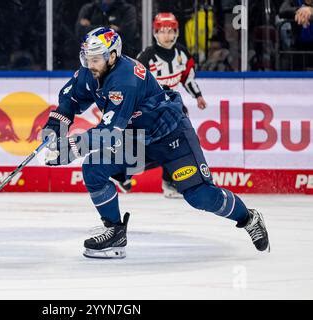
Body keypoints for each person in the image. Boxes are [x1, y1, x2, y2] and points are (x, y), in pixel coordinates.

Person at [42, 27, 270, 259]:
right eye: (87, 58)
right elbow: (70, 100)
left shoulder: (125, 79)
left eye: (96, 59)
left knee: (199, 195)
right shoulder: (89, 72)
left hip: (171, 136)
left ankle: (249, 218)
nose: (90, 64)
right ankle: (115, 230)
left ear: (112, 56)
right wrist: (55, 125)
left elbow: (109, 132)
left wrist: (71, 147)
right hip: (137, 140)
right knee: (94, 168)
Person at [117, 13, 208, 198]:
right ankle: (122, 172)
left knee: (180, 143)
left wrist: (197, 95)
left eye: (170, 31)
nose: (167, 35)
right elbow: (134, 83)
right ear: (155, 33)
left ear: (176, 32)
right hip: (151, 110)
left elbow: (187, 78)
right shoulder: (147, 56)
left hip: (173, 107)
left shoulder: (182, 54)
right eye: (162, 31)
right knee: (152, 148)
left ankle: (169, 182)